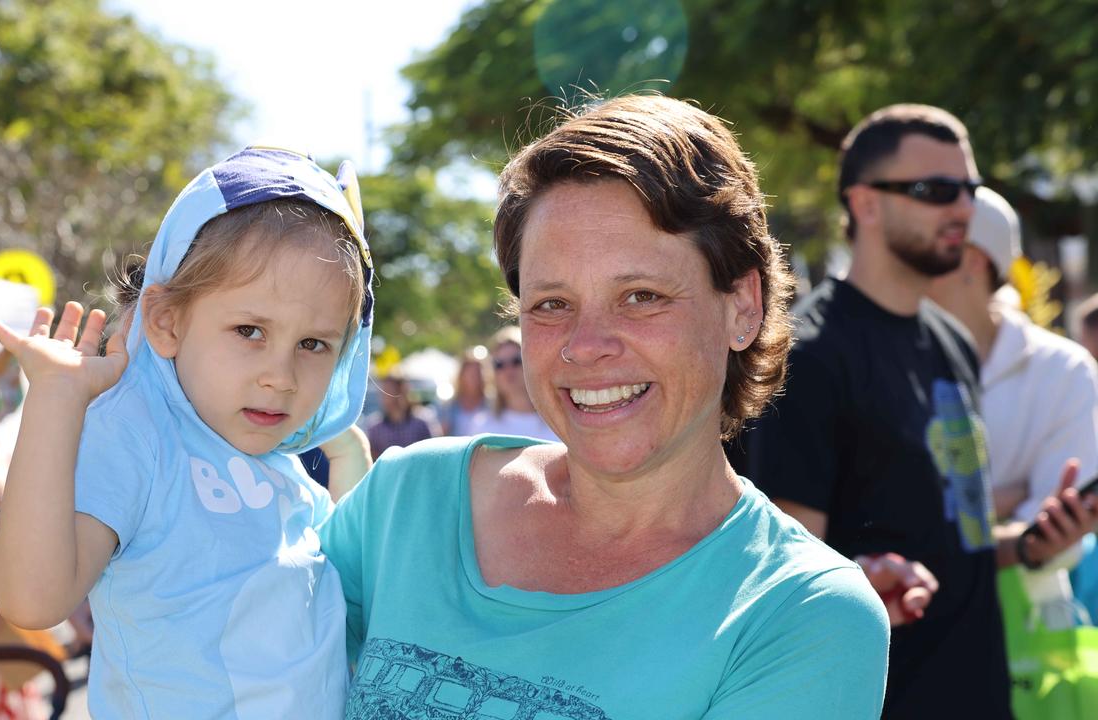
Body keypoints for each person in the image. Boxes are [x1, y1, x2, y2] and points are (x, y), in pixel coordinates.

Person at [319, 95, 889, 719]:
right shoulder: (406, 501)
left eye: (641, 296)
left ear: (742, 306)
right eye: (551, 304)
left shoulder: (800, 614)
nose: (586, 346)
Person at [0, 147, 376, 719]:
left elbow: (355, 590)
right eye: (249, 330)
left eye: (313, 345)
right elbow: (33, 599)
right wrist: (55, 400)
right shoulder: (141, 436)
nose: (281, 377)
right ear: (166, 320)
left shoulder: (281, 466)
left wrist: (347, 450)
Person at [733, 104, 1098, 718]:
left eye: (971, 190)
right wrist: (861, 576)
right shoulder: (811, 356)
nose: (963, 209)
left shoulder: (952, 343)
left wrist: (1033, 543)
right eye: (937, 190)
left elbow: (956, 537)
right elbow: (781, 572)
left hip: (985, 693)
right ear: (865, 203)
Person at [928, 186, 1098, 629]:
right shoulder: (882, 362)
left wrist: (944, 513)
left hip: (1030, 634)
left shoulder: (1063, 369)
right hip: (909, 633)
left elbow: (1055, 539)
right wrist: (1003, 501)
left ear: (974, 259)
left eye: (931, 246)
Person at [467, 326, 558, 441]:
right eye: (499, 364)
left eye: (516, 361)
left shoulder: (558, 423)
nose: (508, 370)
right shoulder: (482, 427)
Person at [365, 371, 441, 459]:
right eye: (384, 392)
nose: (386, 397)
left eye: (390, 391)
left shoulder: (422, 422)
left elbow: (434, 452)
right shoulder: (375, 428)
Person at [440, 349, 490, 436]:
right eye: (470, 373)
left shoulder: (492, 404)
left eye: (477, 373)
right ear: (461, 375)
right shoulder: (449, 406)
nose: (474, 377)